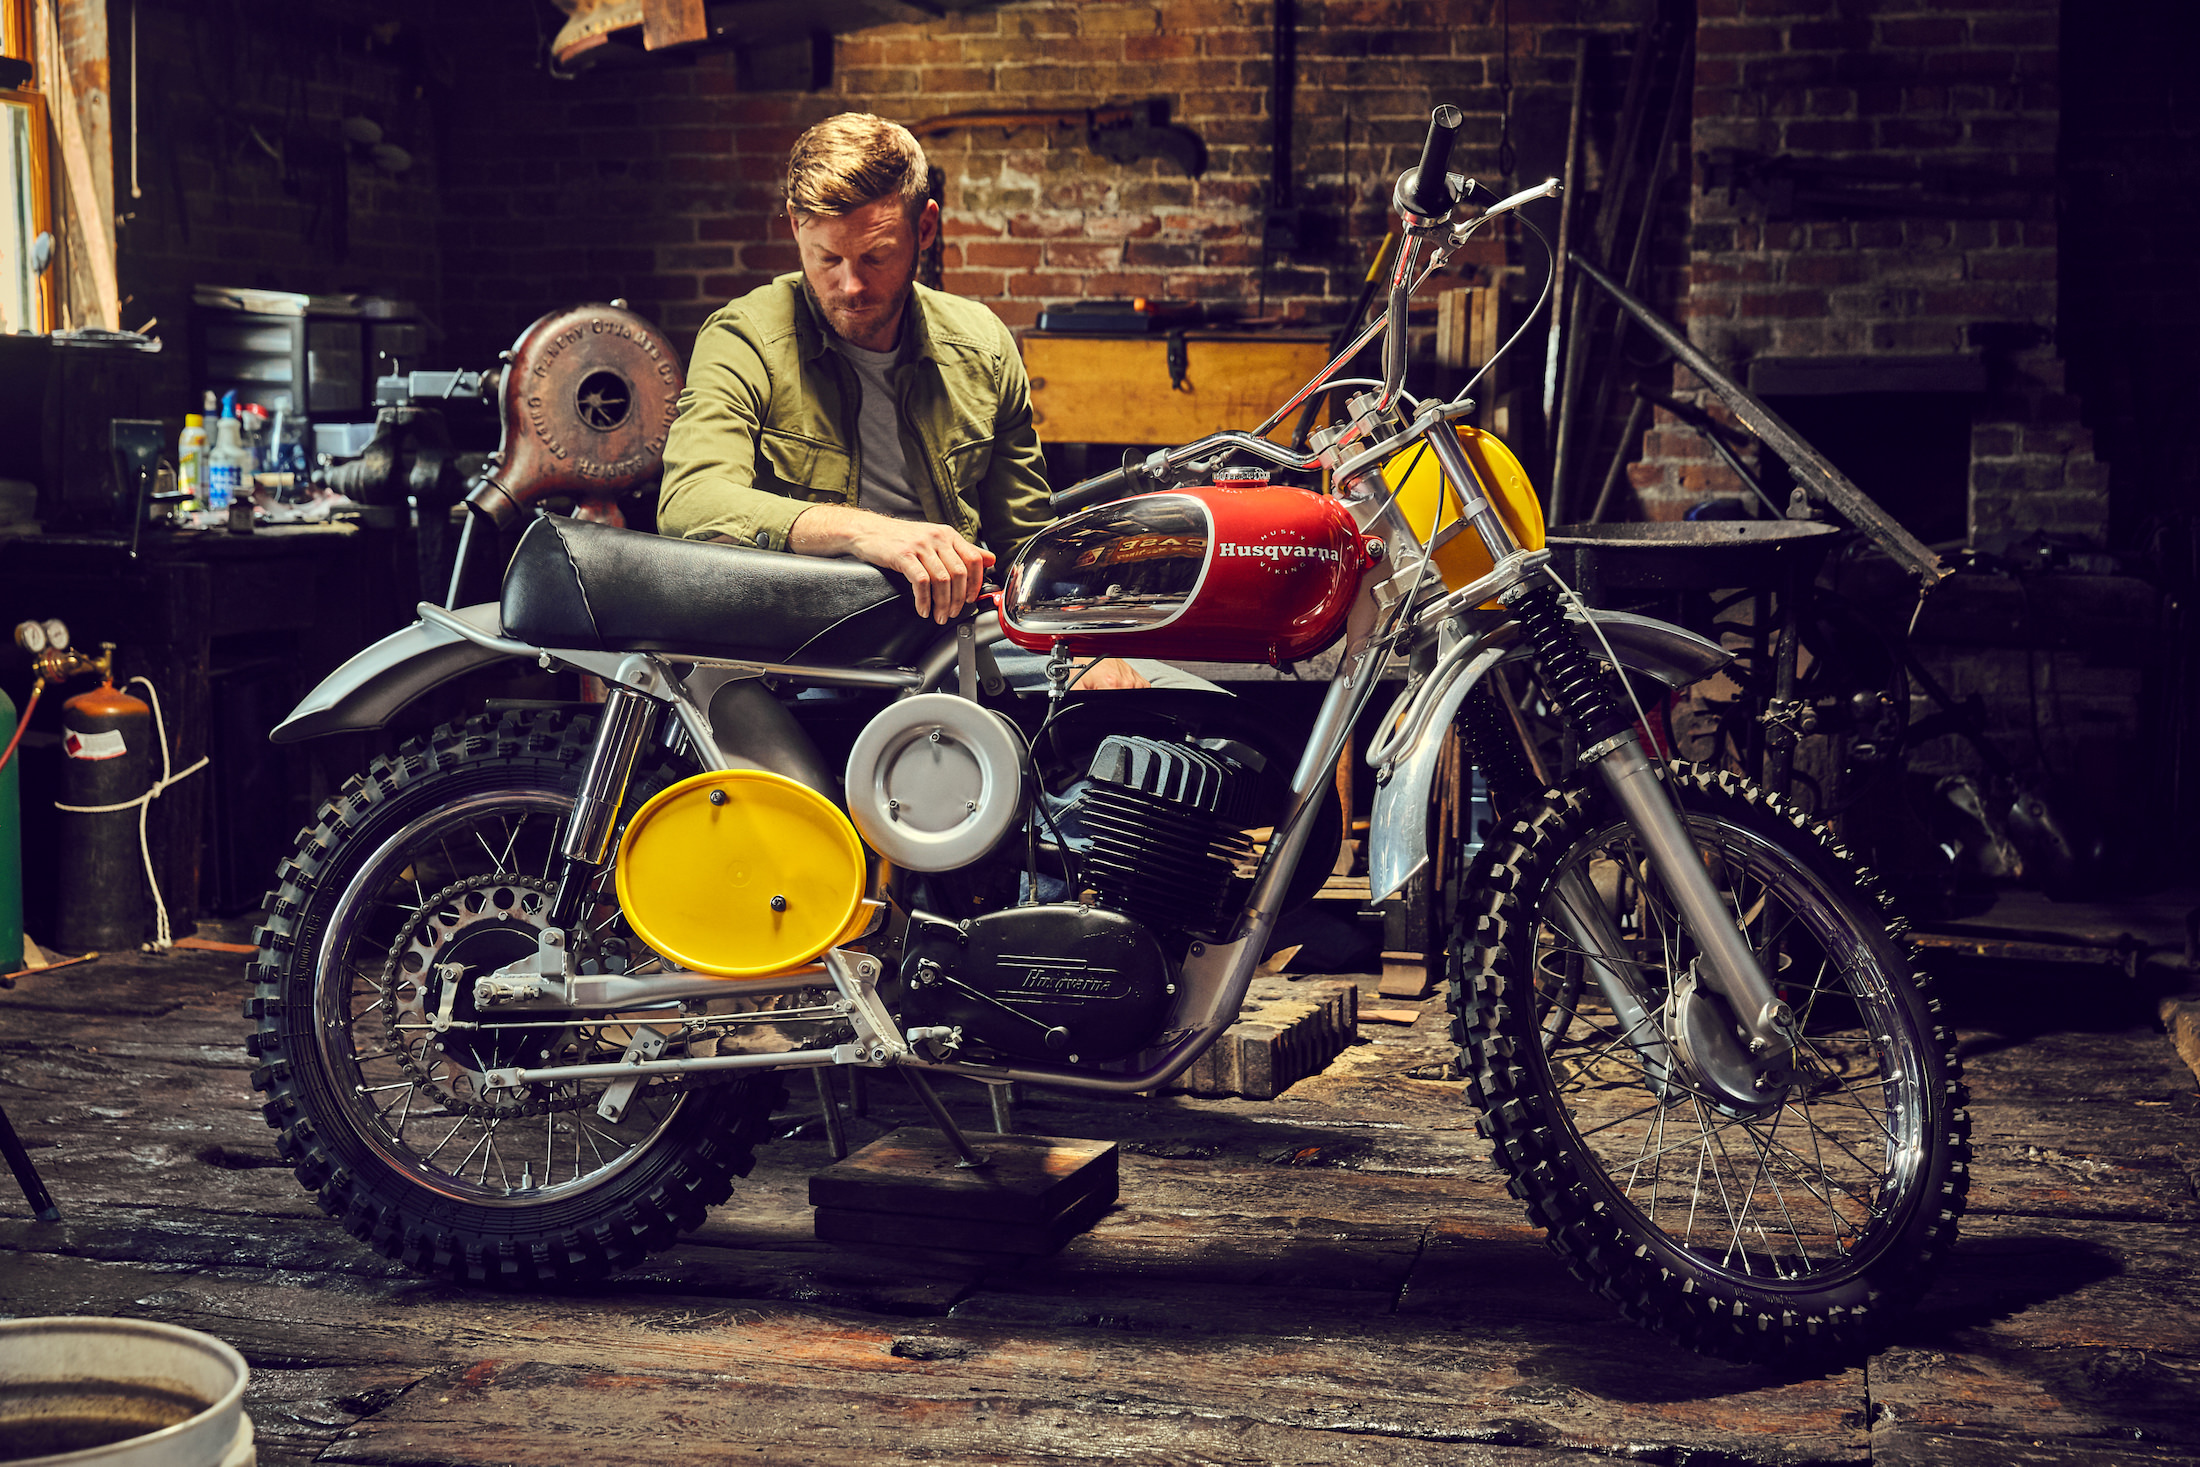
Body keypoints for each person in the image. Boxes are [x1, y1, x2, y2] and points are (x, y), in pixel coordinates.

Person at [658, 111, 1150, 690]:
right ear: (794, 226)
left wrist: (1081, 646)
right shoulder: (744, 338)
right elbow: (690, 501)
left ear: (925, 228)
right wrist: (867, 533)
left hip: (949, 643)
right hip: (799, 655)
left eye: (876, 256)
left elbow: (1026, 542)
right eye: (827, 259)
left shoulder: (983, 344)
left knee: (1179, 715)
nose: (851, 286)